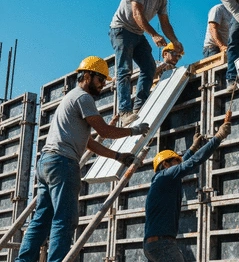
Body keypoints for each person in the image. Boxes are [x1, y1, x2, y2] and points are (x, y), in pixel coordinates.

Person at [15, 56, 149, 262]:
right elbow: (103, 130)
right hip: (63, 163)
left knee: (41, 219)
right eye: (100, 79)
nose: (103, 85)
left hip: (47, 163)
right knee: (65, 219)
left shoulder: (71, 98)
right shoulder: (83, 98)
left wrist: (118, 156)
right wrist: (133, 130)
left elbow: (88, 142)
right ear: (87, 75)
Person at [109, 0, 184, 127]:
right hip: (121, 30)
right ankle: (124, 111)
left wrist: (175, 41)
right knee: (124, 69)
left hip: (137, 33)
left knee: (149, 67)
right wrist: (154, 35)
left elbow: (165, 23)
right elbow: (137, 14)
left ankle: (139, 107)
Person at [143, 123, 231, 262]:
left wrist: (193, 147)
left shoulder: (161, 180)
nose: (179, 163)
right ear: (165, 165)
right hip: (162, 244)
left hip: (153, 245)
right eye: (175, 161)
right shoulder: (165, 175)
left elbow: (183, 162)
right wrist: (218, 137)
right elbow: (191, 163)